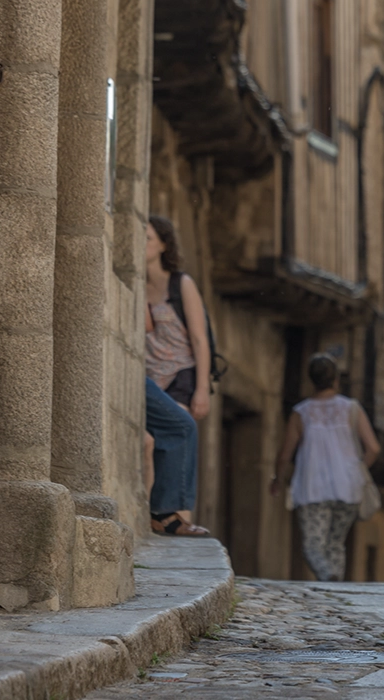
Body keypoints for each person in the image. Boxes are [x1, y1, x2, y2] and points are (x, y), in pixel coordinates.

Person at [269, 354, 381, 582]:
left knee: (313, 546)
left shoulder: (302, 412)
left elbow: (285, 454)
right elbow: (373, 448)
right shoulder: (352, 409)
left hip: (312, 488)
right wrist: (357, 470)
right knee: (335, 543)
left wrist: (277, 479)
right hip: (348, 487)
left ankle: (328, 576)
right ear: (336, 379)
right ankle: (335, 586)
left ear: (312, 379)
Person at [144, 215, 214, 537]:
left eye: (147, 238)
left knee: (179, 430)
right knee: (149, 443)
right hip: (150, 374)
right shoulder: (138, 285)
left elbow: (199, 338)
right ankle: (158, 515)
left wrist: (202, 388)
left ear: (163, 244)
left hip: (181, 374)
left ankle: (178, 519)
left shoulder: (180, 283)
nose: (141, 243)